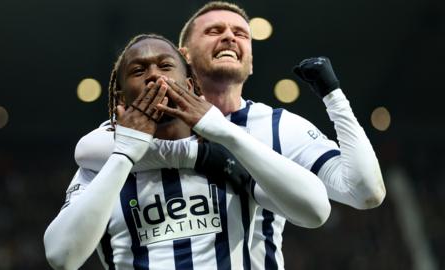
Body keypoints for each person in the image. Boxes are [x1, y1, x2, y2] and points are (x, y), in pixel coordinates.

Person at [44, 34, 331, 270]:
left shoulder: (233, 153)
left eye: (165, 66)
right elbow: (61, 257)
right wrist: (124, 155)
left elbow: (316, 211)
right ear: (120, 96)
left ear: (191, 85)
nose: (154, 76)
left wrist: (226, 133)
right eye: (139, 70)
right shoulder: (103, 167)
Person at [173, 2, 386, 269]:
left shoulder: (279, 127)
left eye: (240, 34)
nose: (229, 36)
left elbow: (365, 191)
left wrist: (333, 95)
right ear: (184, 56)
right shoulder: (150, 128)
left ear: (250, 63)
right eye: (214, 31)